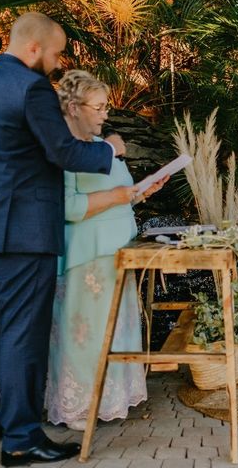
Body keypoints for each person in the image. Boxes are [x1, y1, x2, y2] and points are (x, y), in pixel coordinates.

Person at [0, 13, 129, 465]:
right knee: (23, 334)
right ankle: (20, 438)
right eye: (56, 53)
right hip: (24, 232)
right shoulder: (31, 87)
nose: (58, 64)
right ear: (35, 48)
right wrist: (109, 150)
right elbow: (62, 150)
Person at [44, 70, 167, 431]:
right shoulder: (63, 148)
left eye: (104, 107)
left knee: (116, 330)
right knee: (86, 332)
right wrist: (119, 195)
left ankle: (109, 398)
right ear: (73, 106)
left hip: (118, 249)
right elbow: (65, 206)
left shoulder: (102, 149)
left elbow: (121, 195)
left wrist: (144, 190)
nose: (104, 114)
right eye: (97, 107)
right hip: (86, 254)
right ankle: (78, 405)